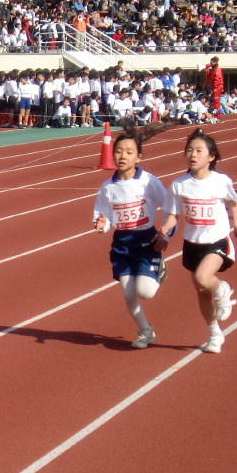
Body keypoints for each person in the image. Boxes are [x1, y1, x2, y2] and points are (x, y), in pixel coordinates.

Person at [160, 129, 237, 354]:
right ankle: (214, 333)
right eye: (189, 150)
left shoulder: (220, 181)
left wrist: (236, 223)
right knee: (201, 290)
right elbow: (172, 216)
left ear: (211, 156)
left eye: (199, 150)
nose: (193, 155)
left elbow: (232, 201)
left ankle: (223, 290)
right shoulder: (179, 185)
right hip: (192, 244)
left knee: (203, 278)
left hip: (217, 241)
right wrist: (165, 230)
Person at [93, 122, 173, 349]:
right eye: (118, 151)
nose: (122, 156)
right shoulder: (107, 187)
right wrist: (102, 225)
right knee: (129, 296)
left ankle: (160, 268)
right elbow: (104, 215)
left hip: (147, 241)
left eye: (129, 152)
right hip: (122, 244)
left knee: (145, 292)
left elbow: (169, 208)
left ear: (139, 157)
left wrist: (166, 234)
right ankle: (145, 330)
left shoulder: (148, 181)